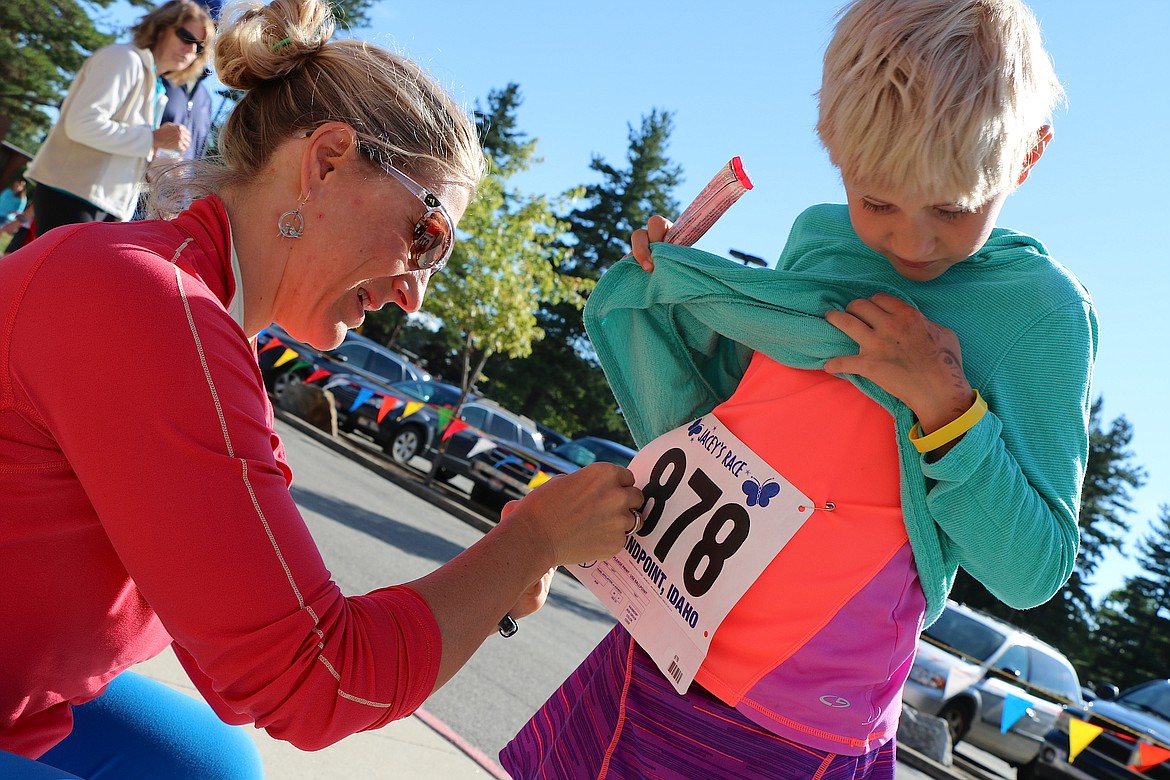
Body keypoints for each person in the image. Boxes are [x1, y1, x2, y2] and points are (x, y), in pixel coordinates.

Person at [0, 0, 643, 777]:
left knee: (212, 763)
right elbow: (312, 681)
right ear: (327, 161)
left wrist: (504, 577)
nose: (417, 296)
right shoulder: (150, 304)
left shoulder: (187, 310)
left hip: (27, 694)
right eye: (428, 235)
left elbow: (246, 664)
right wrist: (530, 541)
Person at [501, 1, 1097, 778]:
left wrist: (947, 407)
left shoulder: (1042, 311)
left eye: (953, 208)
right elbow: (724, 421)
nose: (909, 242)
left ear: (1027, 156)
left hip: (796, 724)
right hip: (659, 646)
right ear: (834, 146)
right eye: (877, 201)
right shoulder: (819, 236)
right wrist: (674, 300)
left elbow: (1034, 568)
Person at [23, 0, 213, 234]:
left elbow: (125, 146)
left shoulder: (155, 84)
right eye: (186, 37)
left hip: (104, 203)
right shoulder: (123, 59)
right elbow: (81, 124)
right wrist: (153, 138)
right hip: (74, 194)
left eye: (199, 47)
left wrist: (161, 163)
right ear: (161, 27)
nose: (191, 50)